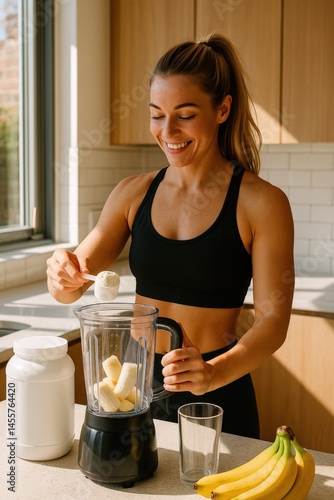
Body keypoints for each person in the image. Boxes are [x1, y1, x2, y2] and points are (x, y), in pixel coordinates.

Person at [46, 33, 294, 439]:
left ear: (222, 109)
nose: (168, 130)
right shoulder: (133, 192)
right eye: (157, 114)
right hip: (133, 383)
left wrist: (212, 373)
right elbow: (71, 285)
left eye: (185, 113)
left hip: (216, 390)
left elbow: (273, 322)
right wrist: (61, 272)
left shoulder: (262, 203)